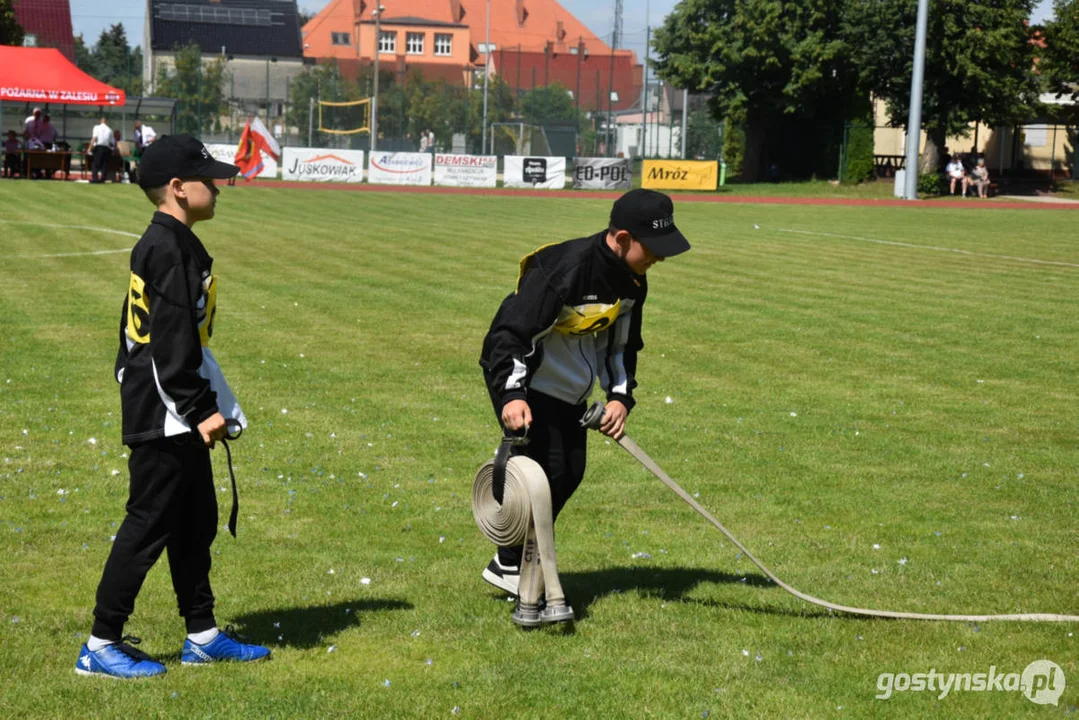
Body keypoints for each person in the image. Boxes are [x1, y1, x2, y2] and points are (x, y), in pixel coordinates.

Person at [75, 135, 270, 679]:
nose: (220, 185)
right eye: (210, 179)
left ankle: (202, 634)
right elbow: (169, 339)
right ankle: (100, 642)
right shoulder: (167, 247)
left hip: (171, 404)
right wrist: (199, 406)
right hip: (165, 409)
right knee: (149, 521)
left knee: (194, 518)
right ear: (179, 189)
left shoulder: (174, 242)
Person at [478, 189, 692, 594]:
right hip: (525, 380)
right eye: (653, 248)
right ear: (623, 238)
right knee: (546, 471)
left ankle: (511, 560)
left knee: (570, 471)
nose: (659, 258)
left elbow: (622, 344)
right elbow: (509, 334)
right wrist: (512, 395)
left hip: (569, 390)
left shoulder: (633, 280)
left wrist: (618, 397)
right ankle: (514, 564)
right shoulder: (563, 269)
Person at [89, 117, 114, 183]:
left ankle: (95, 179)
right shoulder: (109, 129)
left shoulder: (96, 127)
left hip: (99, 147)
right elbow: (112, 142)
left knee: (95, 164)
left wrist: (89, 148)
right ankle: (103, 179)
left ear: (100, 121)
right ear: (106, 121)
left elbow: (94, 138)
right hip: (106, 148)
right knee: (104, 164)